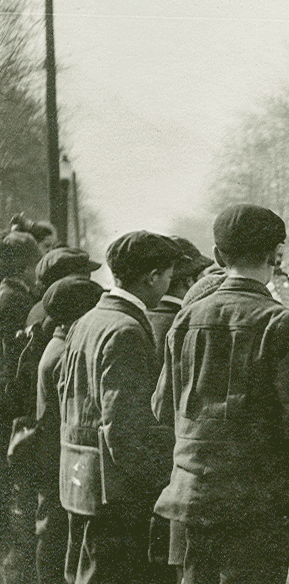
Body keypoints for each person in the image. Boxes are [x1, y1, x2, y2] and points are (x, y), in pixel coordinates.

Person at [153, 204, 289, 584]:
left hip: (192, 495)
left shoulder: (185, 319)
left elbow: (161, 407)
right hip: (257, 503)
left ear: (219, 257)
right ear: (276, 256)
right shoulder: (281, 323)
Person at [59, 231, 183, 584]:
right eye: (169, 276)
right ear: (152, 276)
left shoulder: (88, 320)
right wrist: (160, 484)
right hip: (114, 495)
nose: (169, 285)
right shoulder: (125, 329)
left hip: (79, 478)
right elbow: (124, 430)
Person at [34, 276, 103, 584]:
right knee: (58, 539)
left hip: (52, 457)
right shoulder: (64, 352)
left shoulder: (58, 343)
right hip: (59, 459)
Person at [0, 231, 42, 584]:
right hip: (9, 404)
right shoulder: (15, 300)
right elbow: (18, 362)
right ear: (28, 265)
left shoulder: (8, 295)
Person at [146, 236, 213, 364]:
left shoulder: (142, 317)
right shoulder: (190, 324)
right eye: (202, 275)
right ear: (190, 281)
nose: (205, 279)